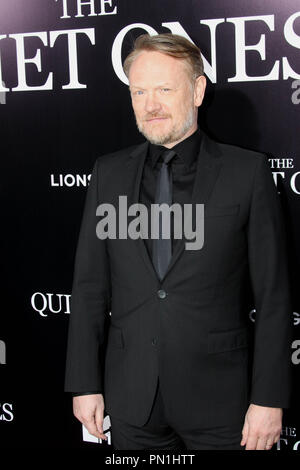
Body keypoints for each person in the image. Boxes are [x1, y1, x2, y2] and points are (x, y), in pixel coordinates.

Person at [64, 33, 293, 450]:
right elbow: (89, 289)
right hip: (131, 400)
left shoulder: (248, 173)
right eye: (139, 91)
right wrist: (84, 384)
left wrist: (269, 398)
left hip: (223, 405)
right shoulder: (108, 175)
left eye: (165, 89)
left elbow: (274, 296)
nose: (150, 105)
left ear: (198, 89)